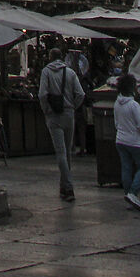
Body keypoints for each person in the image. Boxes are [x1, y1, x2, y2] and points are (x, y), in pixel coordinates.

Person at [37, 47, 83, 202]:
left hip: (54, 116)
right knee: (68, 151)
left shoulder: (46, 72)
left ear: (50, 57)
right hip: (69, 114)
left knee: (60, 152)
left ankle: (68, 187)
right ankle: (64, 186)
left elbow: (42, 94)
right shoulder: (70, 73)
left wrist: (46, 109)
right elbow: (81, 94)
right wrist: (72, 106)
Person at [113, 74, 140, 212]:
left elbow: (116, 123)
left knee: (126, 168)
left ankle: (128, 195)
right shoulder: (134, 105)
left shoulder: (117, 103)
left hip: (120, 140)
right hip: (135, 141)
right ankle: (133, 193)